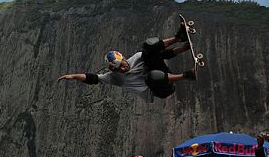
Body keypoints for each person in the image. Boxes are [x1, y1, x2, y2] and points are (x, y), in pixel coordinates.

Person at [58, 23, 195, 103]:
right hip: (161, 89)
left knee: (148, 46)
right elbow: (93, 78)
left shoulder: (137, 57)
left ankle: (179, 37)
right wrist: (74, 76)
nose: (122, 70)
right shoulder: (115, 78)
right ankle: (187, 76)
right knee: (152, 76)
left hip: (164, 73)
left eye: (122, 66)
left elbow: (163, 55)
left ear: (123, 59)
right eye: (118, 70)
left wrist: (183, 48)